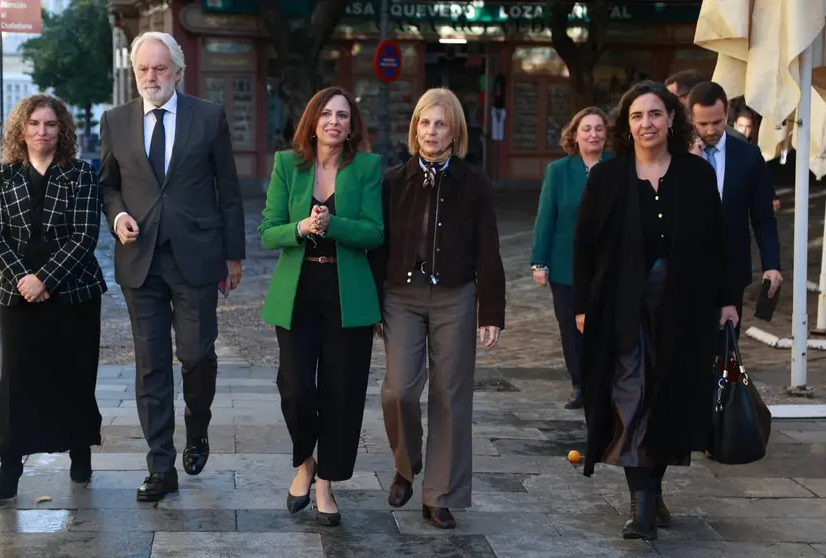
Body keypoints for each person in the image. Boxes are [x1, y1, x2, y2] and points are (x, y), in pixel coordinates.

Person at [571, 80, 738, 540]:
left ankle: (653, 487)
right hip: (621, 307)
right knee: (630, 395)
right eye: (637, 116)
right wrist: (582, 305)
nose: (647, 123)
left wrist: (727, 300)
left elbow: (719, 243)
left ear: (671, 119)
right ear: (626, 126)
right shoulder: (607, 177)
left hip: (683, 308)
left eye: (655, 114)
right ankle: (641, 504)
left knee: (668, 399)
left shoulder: (697, 175)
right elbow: (583, 245)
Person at [99, 31, 247, 502]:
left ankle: (197, 429)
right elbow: (108, 185)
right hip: (140, 260)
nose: (151, 77)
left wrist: (234, 254)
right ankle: (160, 465)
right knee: (151, 365)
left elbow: (228, 188)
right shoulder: (115, 121)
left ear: (178, 73)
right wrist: (118, 216)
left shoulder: (208, 116)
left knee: (197, 355)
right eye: (144, 69)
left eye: (160, 68)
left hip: (197, 256)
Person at [370, 88, 506, 530]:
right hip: (400, 295)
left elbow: (489, 248)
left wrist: (492, 312)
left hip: (455, 295)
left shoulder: (475, 182)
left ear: (455, 132)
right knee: (399, 391)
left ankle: (439, 494)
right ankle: (407, 465)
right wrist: (371, 302)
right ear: (415, 129)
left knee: (450, 394)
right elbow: (378, 245)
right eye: (425, 123)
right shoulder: (392, 180)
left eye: (441, 124)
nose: (431, 131)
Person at [258, 87, 383, 527]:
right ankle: (304, 463)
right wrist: (301, 226)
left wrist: (334, 225)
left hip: (347, 293)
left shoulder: (367, 167)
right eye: (327, 114)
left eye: (343, 116)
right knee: (295, 389)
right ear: (312, 121)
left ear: (352, 127)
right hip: (298, 290)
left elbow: (374, 233)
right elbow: (267, 231)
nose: (334, 121)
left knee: (341, 393)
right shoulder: (286, 165)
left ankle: (326, 482)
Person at [0, 94, 107, 500]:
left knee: (74, 374)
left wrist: (46, 279)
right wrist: (23, 279)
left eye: (50, 124)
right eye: (34, 124)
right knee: (17, 379)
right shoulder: (1, 175)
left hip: (73, 293)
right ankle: (10, 465)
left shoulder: (82, 174)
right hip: (17, 294)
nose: (41, 132)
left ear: (61, 130)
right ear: (21, 129)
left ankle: (80, 449)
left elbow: (85, 236)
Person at [531, 107, 612, 410]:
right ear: (574, 135)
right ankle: (580, 384)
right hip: (565, 264)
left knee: (603, 325)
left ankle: (603, 382)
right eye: (586, 129)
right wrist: (539, 261)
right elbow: (545, 216)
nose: (593, 134)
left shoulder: (618, 167)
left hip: (607, 264)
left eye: (599, 129)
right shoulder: (559, 170)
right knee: (570, 326)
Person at [688, 81, 782, 327]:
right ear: (691, 119)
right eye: (703, 124)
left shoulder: (748, 156)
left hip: (730, 271)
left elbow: (763, 217)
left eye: (717, 123)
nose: (710, 130)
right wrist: (692, 164)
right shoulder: (676, 155)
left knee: (726, 351)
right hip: (683, 271)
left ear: (726, 113)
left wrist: (771, 265)